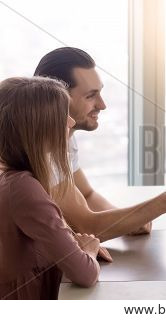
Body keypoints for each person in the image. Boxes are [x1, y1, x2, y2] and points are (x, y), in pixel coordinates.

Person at [34, 47, 166, 246]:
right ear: (57, 98)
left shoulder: (66, 138)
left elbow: (87, 195)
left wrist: (132, 221)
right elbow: (87, 227)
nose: (102, 104)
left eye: (100, 93)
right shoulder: (42, 150)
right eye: (90, 96)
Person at [0, 77, 100, 299]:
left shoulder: (13, 179)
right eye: (61, 117)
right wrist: (89, 251)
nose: (71, 122)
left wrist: (76, 247)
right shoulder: (24, 188)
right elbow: (85, 274)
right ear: (40, 128)